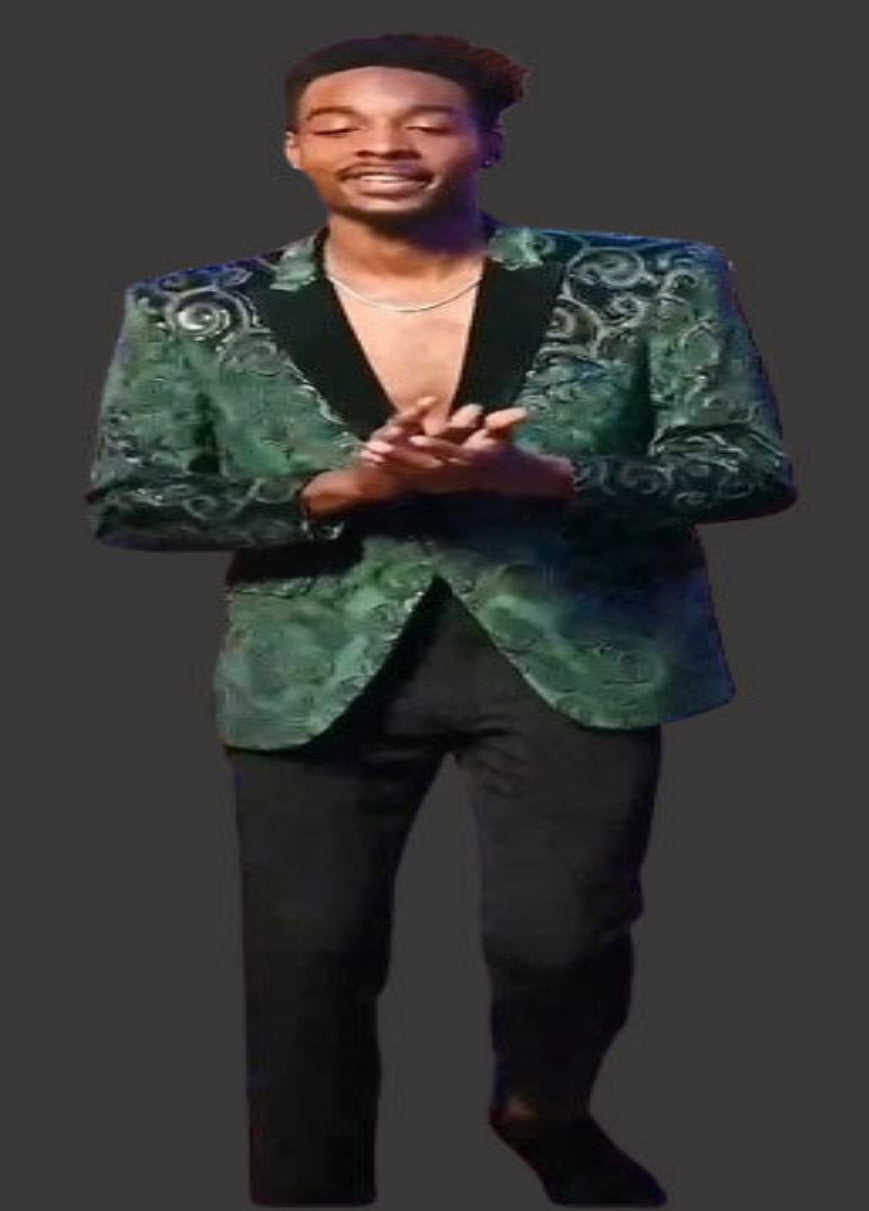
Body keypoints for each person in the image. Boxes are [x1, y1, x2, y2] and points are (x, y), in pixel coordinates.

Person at [85, 32, 798, 1207]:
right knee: (307, 954)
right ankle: (305, 1187)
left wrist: (549, 479)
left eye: (424, 120)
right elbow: (131, 499)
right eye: (339, 124)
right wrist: (332, 489)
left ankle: (543, 1105)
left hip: (580, 647)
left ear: (486, 142)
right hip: (313, 664)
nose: (382, 144)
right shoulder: (194, 310)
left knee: (560, 934)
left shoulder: (654, 279)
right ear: (293, 149)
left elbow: (748, 465)